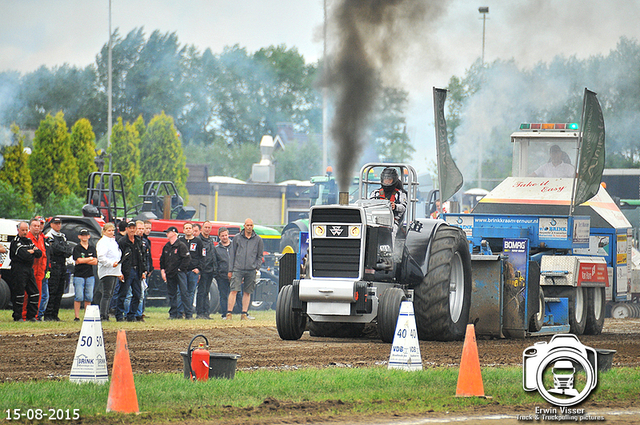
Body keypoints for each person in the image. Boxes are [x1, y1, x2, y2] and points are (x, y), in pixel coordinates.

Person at [227, 218, 263, 320]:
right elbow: (232, 254)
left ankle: (244, 313)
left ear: (253, 226)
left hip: (251, 270)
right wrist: (231, 270)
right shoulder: (237, 238)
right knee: (234, 290)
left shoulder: (258, 239)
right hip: (237, 268)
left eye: (251, 225)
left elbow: (260, 255)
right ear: (244, 226)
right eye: (247, 225)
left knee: (247, 291)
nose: (249, 227)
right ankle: (229, 313)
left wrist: (257, 267)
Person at [9, 221, 42, 321]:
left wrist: (32, 251)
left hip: (29, 269)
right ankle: (17, 316)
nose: (24, 232)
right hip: (19, 269)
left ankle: (31, 316)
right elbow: (24, 255)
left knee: (34, 292)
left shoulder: (28, 240)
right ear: (18, 230)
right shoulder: (16, 241)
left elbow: (39, 253)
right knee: (19, 293)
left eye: (26, 230)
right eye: (22, 230)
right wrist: (32, 251)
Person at [116, 221, 147, 322]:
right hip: (126, 271)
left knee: (137, 295)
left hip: (137, 270)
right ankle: (119, 315)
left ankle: (131, 315)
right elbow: (119, 257)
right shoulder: (122, 241)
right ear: (127, 229)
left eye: (134, 228)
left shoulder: (138, 241)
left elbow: (142, 256)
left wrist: (143, 270)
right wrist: (119, 272)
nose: (132, 230)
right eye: (130, 228)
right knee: (123, 294)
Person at [44, 217, 72, 322]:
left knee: (60, 291)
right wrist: (62, 250)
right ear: (51, 224)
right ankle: (48, 314)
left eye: (59, 223)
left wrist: (61, 250)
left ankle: (55, 314)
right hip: (53, 266)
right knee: (52, 290)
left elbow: (69, 251)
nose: (58, 225)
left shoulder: (62, 237)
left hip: (62, 266)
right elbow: (53, 250)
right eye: (56, 223)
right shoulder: (48, 236)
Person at [160, 226, 191, 320]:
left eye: (168, 232)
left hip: (179, 273)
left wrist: (180, 269)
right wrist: (163, 270)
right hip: (170, 273)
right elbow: (163, 259)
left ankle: (188, 314)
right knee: (172, 294)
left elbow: (187, 259)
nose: (167, 234)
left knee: (184, 293)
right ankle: (173, 314)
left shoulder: (181, 245)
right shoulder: (167, 246)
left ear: (174, 233)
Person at [96, 223, 122, 321]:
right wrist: (110, 264)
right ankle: (103, 315)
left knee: (110, 294)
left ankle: (105, 313)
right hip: (107, 271)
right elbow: (101, 257)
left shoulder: (113, 242)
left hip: (114, 271)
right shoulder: (102, 242)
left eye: (112, 230)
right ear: (104, 231)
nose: (111, 232)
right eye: (109, 231)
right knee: (106, 293)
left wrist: (118, 271)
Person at [178, 222, 203, 320]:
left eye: (190, 228)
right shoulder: (180, 241)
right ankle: (179, 312)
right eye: (186, 228)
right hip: (182, 271)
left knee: (191, 292)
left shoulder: (198, 241)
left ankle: (188, 312)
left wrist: (198, 268)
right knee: (181, 291)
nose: (188, 230)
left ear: (193, 230)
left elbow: (202, 256)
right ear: (183, 230)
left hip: (193, 271)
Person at [215, 226, 241, 319]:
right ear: (219, 236)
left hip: (235, 274)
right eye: (222, 236)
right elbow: (215, 262)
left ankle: (243, 313)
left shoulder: (234, 246)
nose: (224, 237)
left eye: (226, 235)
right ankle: (225, 314)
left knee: (238, 294)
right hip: (222, 276)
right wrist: (217, 274)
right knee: (223, 295)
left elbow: (239, 259)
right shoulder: (216, 249)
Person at [23, 218, 46, 320]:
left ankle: (34, 315)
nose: (37, 228)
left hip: (39, 271)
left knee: (38, 294)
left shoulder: (41, 238)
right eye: (35, 226)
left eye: (38, 226)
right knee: (26, 294)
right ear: (30, 227)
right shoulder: (27, 238)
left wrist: (44, 269)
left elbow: (44, 255)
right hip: (29, 270)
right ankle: (24, 315)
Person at [72, 229, 98, 321]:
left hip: (90, 275)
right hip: (79, 275)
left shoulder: (92, 247)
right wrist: (90, 258)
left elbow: (95, 261)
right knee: (79, 296)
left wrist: (85, 260)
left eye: (86, 235)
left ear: (89, 236)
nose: (84, 237)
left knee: (89, 296)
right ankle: (77, 316)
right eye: (82, 235)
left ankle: (87, 316)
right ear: (79, 237)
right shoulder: (77, 248)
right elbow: (78, 260)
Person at [196, 221, 216, 319]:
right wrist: (199, 270)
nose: (207, 229)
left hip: (210, 270)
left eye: (209, 227)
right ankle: (200, 313)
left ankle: (206, 313)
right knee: (201, 291)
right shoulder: (198, 240)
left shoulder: (211, 240)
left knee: (207, 292)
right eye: (206, 227)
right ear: (202, 228)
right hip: (202, 270)